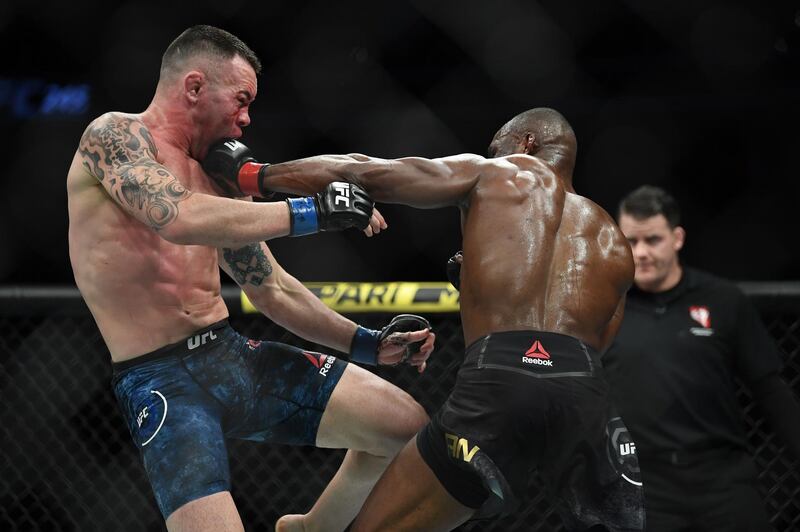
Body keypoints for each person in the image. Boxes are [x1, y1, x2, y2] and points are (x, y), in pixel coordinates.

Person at [66, 25, 436, 532]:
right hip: (160, 379)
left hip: (231, 356)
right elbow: (177, 218)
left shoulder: (217, 174)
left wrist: (368, 344)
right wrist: (312, 212)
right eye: (240, 100)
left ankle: (312, 528)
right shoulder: (113, 137)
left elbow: (271, 287)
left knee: (408, 429)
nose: (246, 119)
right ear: (194, 87)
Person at [204, 107, 646, 531]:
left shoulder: (498, 172)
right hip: (584, 393)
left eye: (499, 147)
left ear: (526, 143)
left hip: (500, 382)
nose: (494, 155)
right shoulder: (614, 241)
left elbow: (365, 170)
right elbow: (593, 342)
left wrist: (254, 175)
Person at [599, 185, 800, 531]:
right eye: (631, 241)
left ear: (677, 238)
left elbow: (771, 391)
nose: (642, 252)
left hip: (721, 478)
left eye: (653, 240)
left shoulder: (723, 300)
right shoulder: (604, 309)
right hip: (644, 483)